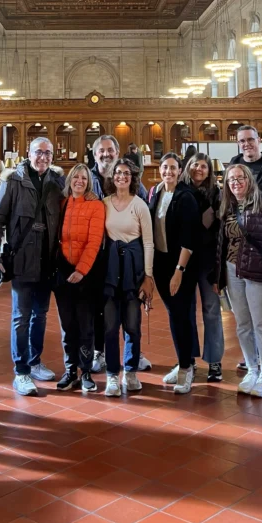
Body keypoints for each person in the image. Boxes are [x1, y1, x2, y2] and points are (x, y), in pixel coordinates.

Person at [0, 137, 64, 396]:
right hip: (22, 258)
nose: (43, 157)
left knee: (40, 314)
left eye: (48, 153)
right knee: (21, 316)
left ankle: (35, 361)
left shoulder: (57, 181)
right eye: (38, 152)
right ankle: (21, 371)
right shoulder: (13, 181)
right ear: (28, 154)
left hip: (48, 259)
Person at [215, 163, 262, 398]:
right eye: (231, 179)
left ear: (249, 180)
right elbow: (222, 242)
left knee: (261, 324)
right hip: (233, 269)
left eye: (240, 178)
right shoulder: (227, 205)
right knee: (243, 324)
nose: (235, 183)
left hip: (260, 271)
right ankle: (252, 369)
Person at [87, 134, 150, 374]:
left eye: (110, 150)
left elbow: (144, 214)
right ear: (95, 154)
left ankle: (134, 355)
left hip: (130, 257)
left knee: (130, 309)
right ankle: (100, 352)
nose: (106, 154)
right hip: (100, 257)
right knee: (102, 310)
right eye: (101, 151)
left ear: (117, 152)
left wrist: (146, 269)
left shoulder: (134, 184)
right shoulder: (88, 178)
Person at [102, 159, 154, 396]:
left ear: (132, 178)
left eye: (126, 173)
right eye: (117, 173)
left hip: (134, 269)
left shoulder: (139, 205)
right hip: (111, 269)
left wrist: (148, 276)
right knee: (110, 325)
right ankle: (112, 375)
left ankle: (130, 371)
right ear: (112, 177)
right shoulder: (104, 203)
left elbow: (148, 242)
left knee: (132, 325)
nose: (121, 176)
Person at [150, 152, 201, 394]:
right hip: (161, 263)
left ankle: (186, 369)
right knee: (174, 314)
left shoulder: (186, 196)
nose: (168, 171)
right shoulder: (157, 192)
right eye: (165, 167)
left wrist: (179, 271)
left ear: (180, 171)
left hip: (180, 265)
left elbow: (190, 238)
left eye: (173, 168)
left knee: (181, 314)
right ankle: (184, 361)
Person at [54, 164, 105, 393]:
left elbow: (94, 242)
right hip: (63, 272)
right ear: (70, 180)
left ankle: (85, 371)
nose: (79, 181)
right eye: (76, 177)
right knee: (67, 325)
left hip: (86, 274)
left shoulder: (96, 205)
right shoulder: (62, 203)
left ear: (89, 182)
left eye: (84, 178)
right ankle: (70, 370)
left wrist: (81, 270)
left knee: (86, 325)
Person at [180, 152, 224, 383]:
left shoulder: (217, 194)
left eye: (203, 166)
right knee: (185, 311)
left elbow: (221, 230)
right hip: (185, 260)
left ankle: (214, 360)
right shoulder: (180, 191)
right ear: (188, 167)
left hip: (208, 261)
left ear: (209, 171)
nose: (199, 169)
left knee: (211, 310)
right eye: (195, 165)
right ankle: (188, 358)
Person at [230, 126, 262, 194]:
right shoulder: (234, 163)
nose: (246, 144)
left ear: (258, 140)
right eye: (242, 141)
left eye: (250, 139)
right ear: (238, 143)